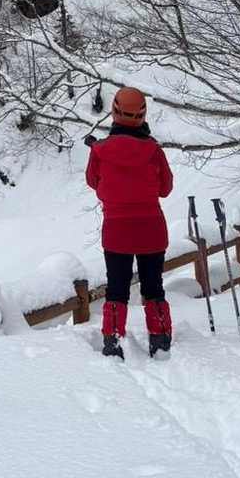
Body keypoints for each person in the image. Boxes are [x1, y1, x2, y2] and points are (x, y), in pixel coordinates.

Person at [85, 86, 174, 359]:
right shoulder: (153, 150)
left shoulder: (100, 151)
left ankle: (112, 341)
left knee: (117, 288)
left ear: (114, 111)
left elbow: (93, 182)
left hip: (117, 230)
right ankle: (160, 340)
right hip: (151, 229)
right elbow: (166, 188)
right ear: (142, 114)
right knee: (153, 286)